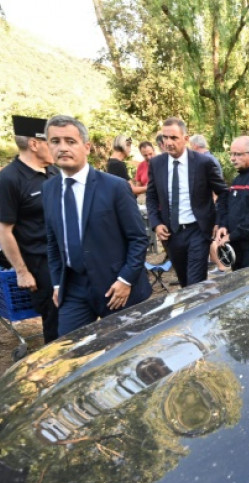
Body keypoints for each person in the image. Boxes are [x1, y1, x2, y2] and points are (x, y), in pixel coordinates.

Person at [41, 115, 151, 336]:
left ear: (86, 147)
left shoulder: (115, 187)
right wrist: (56, 283)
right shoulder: (49, 189)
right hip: (73, 288)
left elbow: (139, 238)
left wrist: (125, 279)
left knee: (126, 356)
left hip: (117, 286)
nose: (63, 148)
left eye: (70, 141)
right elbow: (53, 241)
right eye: (55, 141)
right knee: (73, 353)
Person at [0, 115, 60, 343]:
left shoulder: (54, 172)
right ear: (34, 144)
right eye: (52, 141)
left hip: (64, 257)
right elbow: (3, 229)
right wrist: (22, 271)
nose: (57, 147)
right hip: (40, 263)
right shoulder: (9, 179)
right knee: (55, 318)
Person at [146, 117, 229, 287]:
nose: (168, 142)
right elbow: (152, 196)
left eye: (173, 138)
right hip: (172, 234)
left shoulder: (202, 163)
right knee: (185, 283)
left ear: (185, 139)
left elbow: (223, 193)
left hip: (197, 231)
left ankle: (198, 312)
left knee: (195, 284)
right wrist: (155, 223)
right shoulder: (156, 163)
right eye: (165, 137)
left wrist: (219, 222)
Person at [214, 136, 249, 269]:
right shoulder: (237, 180)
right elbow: (229, 207)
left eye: (237, 154)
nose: (232, 158)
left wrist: (232, 236)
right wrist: (223, 226)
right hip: (236, 246)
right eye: (231, 154)